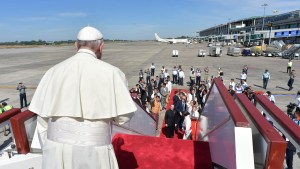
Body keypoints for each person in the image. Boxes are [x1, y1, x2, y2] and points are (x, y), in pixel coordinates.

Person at [28, 26, 137, 169]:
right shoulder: (113, 73)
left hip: (56, 149)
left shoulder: (52, 72)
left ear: (75, 45)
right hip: (95, 151)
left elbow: (42, 121)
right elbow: (123, 118)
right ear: (101, 46)